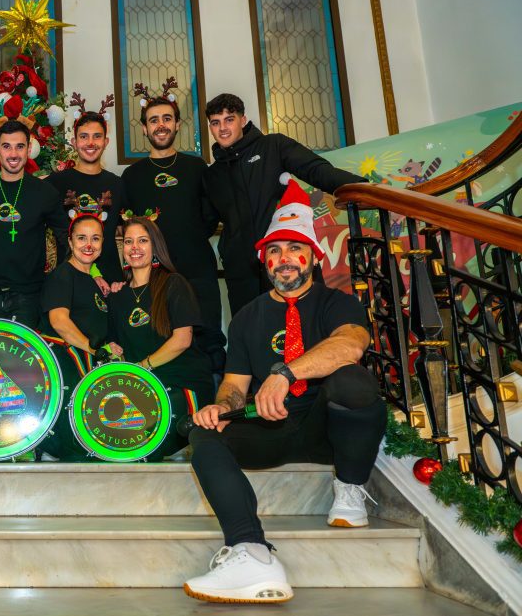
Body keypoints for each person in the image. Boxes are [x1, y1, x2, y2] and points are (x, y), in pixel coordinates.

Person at [183, 183, 385, 604]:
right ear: (264, 261)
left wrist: (285, 372)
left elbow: (351, 345)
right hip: (270, 426)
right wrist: (220, 408)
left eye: (295, 248)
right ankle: (251, 551)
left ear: (314, 256)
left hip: (326, 429)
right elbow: (235, 385)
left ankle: (349, 486)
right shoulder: (246, 317)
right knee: (204, 433)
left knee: (353, 381)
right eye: (274, 251)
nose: (284, 258)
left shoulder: (337, 303)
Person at [202, 92, 364, 316]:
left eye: (229, 119)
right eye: (215, 123)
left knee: (305, 323)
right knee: (251, 329)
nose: (222, 128)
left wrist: (363, 187)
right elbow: (204, 223)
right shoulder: (212, 175)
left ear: (243, 120)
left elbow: (316, 170)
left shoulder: (273, 146)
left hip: (286, 261)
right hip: (241, 273)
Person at [121, 93, 226, 376]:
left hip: (198, 271)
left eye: (167, 118)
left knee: (209, 343)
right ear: (144, 128)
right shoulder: (132, 176)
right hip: (155, 278)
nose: (161, 125)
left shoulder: (197, 167)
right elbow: (127, 228)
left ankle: (214, 399)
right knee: (160, 341)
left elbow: (210, 216)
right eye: (153, 120)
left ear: (177, 124)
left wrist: (188, 239)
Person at [108, 217, 215, 459]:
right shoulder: (117, 296)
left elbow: (182, 339)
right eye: (128, 242)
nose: (134, 247)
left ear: (155, 246)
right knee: (108, 433)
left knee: (142, 441)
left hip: (182, 386)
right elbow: (118, 347)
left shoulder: (173, 283)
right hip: (143, 389)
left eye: (143, 241)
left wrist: (142, 368)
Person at [0, 119, 69, 329]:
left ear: (29, 149)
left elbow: (65, 238)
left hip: (29, 294)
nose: (13, 154)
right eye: (6, 146)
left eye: (20, 146)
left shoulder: (45, 192)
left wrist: (59, 283)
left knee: (24, 352)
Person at [38, 213, 124, 461]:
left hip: (90, 365)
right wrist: (95, 349)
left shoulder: (96, 281)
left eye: (95, 238)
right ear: (70, 241)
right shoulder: (62, 276)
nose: (88, 245)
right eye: (82, 238)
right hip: (68, 367)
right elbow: (59, 322)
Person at [45, 108, 124, 283]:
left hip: (111, 281)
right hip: (69, 281)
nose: (90, 142)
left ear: (106, 142)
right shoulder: (55, 183)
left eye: (97, 136)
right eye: (84, 136)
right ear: (74, 142)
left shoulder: (118, 185)